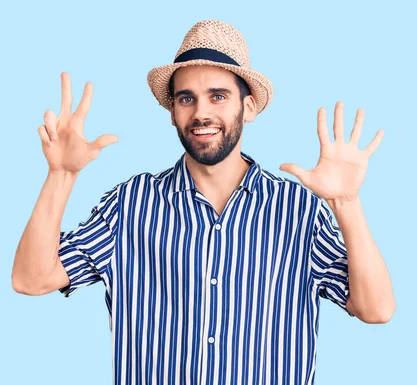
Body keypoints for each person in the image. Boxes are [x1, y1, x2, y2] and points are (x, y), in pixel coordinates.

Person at [12, 20, 395, 385]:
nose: (201, 113)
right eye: (186, 99)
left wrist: (346, 202)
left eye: (218, 96)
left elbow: (376, 310)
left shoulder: (299, 210)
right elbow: (31, 279)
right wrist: (61, 175)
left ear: (247, 107)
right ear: (173, 112)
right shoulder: (129, 206)